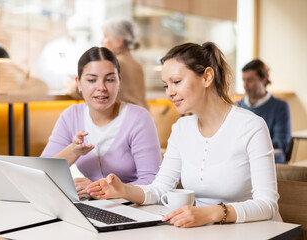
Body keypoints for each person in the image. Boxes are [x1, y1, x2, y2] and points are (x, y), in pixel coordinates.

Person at [86, 42, 279, 228]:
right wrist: (124, 190)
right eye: (165, 86)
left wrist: (210, 213)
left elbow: (268, 205)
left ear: (206, 77)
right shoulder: (181, 128)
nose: (170, 93)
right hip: (203, 231)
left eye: (176, 82)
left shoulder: (251, 126)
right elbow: (160, 189)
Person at [41, 47, 161, 198]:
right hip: (94, 205)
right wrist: (73, 151)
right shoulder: (71, 116)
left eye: (110, 79)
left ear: (119, 82)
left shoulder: (139, 118)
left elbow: (153, 181)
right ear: (78, 83)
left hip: (134, 207)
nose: (101, 88)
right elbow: (41, 173)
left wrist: (97, 188)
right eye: (91, 80)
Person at [237, 59, 291, 163]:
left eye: (250, 80)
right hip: (243, 160)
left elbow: (281, 143)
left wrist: (249, 146)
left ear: (264, 79)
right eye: (243, 80)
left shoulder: (280, 107)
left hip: (271, 160)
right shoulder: (238, 107)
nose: (245, 85)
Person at [102, 19, 149, 109]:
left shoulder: (114, 64)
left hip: (127, 119)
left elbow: (83, 90)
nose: (102, 41)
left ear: (119, 41)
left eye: (105, 36)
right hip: (143, 117)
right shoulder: (136, 64)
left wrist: (72, 84)